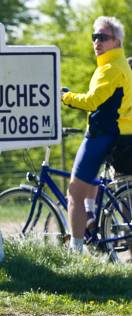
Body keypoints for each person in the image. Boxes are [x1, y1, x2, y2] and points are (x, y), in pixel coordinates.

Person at [61, 16, 132, 252]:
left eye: (103, 37)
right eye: (94, 37)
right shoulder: (119, 66)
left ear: (117, 42)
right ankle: (91, 217)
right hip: (119, 135)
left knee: (74, 193)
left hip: (101, 135)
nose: (97, 42)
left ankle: (76, 249)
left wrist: (66, 97)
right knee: (92, 182)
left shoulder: (110, 69)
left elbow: (92, 101)